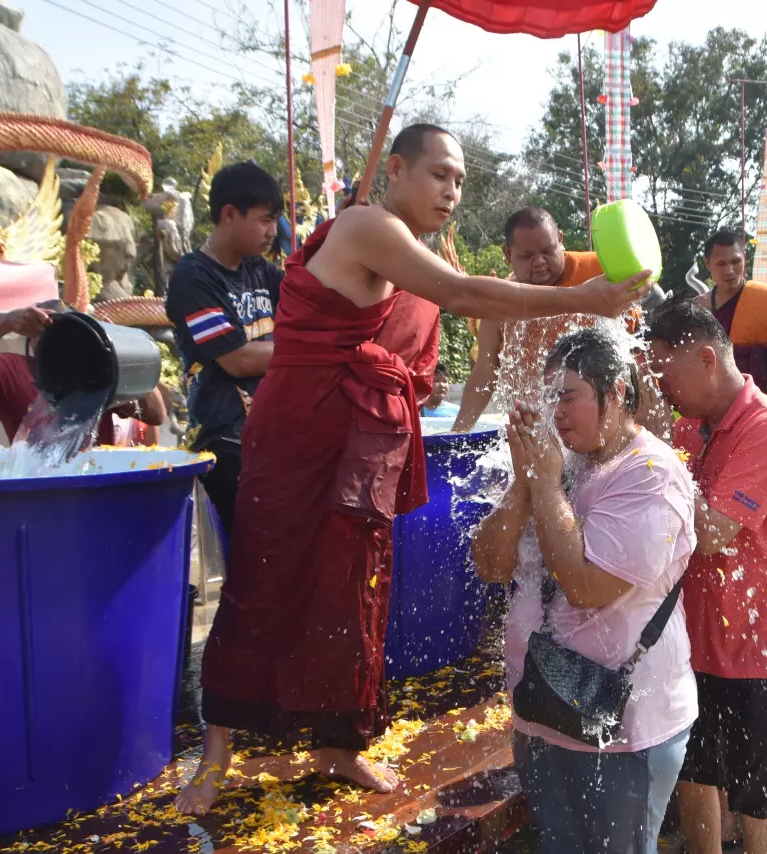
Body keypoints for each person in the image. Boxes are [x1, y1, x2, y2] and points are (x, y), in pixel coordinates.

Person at [176, 124, 651, 815]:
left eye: (460, 181)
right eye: (439, 175)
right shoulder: (367, 224)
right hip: (296, 433)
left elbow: (436, 332)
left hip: (354, 441)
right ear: (395, 169)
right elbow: (463, 295)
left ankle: (338, 744)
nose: (452, 192)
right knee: (262, 582)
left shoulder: (409, 252)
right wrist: (587, 297)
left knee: (351, 588)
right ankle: (217, 751)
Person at [472, 328, 696, 854]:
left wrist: (546, 486)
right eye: (549, 398)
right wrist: (527, 486)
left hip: (622, 730)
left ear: (616, 392)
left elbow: (585, 587)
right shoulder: (561, 460)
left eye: (568, 396)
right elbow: (490, 564)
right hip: (541, 711)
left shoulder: (651, 473)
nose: (557, 413)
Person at [645, 301, 767, 854]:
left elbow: (711, 533)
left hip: (752, 644)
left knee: (754, 797)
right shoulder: (692, 423)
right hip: (693, 636)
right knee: (695, 775)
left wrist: (660, 451)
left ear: (707, 359)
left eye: (666, 371)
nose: (661, 388)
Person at [165, 162, 286, 538]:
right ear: (229, 214)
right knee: (256, 559)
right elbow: (238, 360)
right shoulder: (193, 277)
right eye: (265, 220)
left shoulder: (260, 270)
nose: (272, 232)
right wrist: (313, 349)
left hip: (269, 429)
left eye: (275, 221)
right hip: (225, 437)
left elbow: (308, 302)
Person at [451, 207, 624, 432]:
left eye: (547, 251)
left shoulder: (598, 273)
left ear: (560, 239)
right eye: (527, 256)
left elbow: (637, 346)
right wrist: (459, 432)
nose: (540, 262)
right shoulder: (501, 301)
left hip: (601, 425)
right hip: (538, 429)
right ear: (507, 253)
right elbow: (485, 370)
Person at [0, 304, 166, 446]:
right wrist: (4, 323)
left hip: (96, 485)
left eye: (61, 329)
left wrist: (120, 349)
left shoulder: (97, 372)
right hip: (39, 492)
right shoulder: (12, 370)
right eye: (41, 328)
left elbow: (156, 415)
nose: (52, 338)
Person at [694, 230, 767, 394]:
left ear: (744, 258)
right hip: (706, 406)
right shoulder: (697, 308)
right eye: (721, 263)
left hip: (755, 406)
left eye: (735, 261)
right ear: (707, 263)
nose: (730, 270)